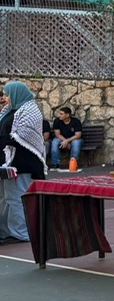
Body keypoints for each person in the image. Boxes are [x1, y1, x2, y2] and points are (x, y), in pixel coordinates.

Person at [0, 82, 48, 243]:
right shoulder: (10, 110)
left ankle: (20, 233)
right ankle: (5, 231)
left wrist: (3, 140)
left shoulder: (30, 111)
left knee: (15, 197)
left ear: (16, 94)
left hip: (21, 162)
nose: (4, 98)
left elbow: (23, 137)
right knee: (4, 198)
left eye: (6, 94)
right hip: (7, 161)